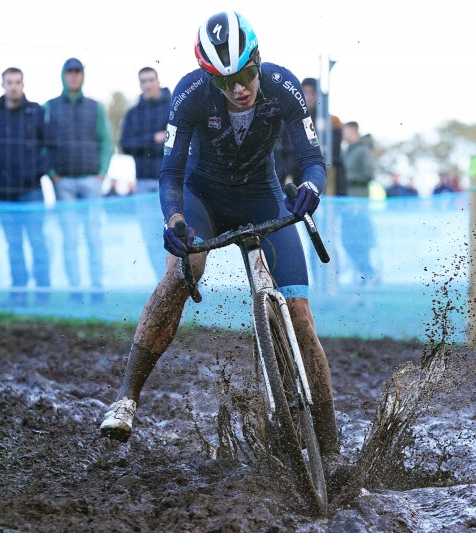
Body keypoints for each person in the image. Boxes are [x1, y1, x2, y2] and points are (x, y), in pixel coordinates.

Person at [100, 11, 343, 469]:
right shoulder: (189, 94)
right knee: (183, 272)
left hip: (261, 195)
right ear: (209, 78)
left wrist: (311, 186)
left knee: (300, 313)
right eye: (224, 80)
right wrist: (174, 219)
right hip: (202, 196)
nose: (239, 88)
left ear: (258, 61)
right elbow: (170, 172)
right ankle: (127, 398)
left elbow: (313, 158)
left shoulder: (283, 86)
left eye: (246, 74)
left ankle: (330, 450)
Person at [44, 58, 114, 303]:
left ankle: (96, 288)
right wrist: (52, 174)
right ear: (63, 76)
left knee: (94, 237)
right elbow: (42, 143)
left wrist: (102, 173)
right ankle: (75, 289)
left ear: (83, 76)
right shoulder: (50, 107)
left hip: (91, 182)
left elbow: (106, 142)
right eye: (69, 72)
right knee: (70, 238)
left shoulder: (95, 107)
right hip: (63, 184)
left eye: (77, 72)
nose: (73, 77)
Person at [0, 67, 51, 306]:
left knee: (37, 241)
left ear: (23, 84)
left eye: (17, 82)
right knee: (13, 244)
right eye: (9, 82)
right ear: (2, 84)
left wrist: (35, 172)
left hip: (31, 191)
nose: (13, 86)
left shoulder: (36, 112)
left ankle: (44, 291)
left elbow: (50, 147)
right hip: (3, 192)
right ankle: (19, 290)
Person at [119, 67, 172, 278]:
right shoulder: (133, 114)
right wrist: (154, 140)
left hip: (170, 182)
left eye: (151, 79)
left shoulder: (172, 106)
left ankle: (189, 286)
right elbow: (125, 144)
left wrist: (156, 142)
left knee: (179, 234)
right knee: (150, 238)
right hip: (143, 183)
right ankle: (164, 286)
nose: (148, 84)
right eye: (143, 81)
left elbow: (177, 140)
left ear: (158, 80)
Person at [273, 77, 347, 195]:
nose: (308, 97)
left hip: (327, 182)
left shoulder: (332, 122)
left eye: (312, 93)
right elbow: (282, 152)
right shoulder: (289, 121)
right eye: (305, 93)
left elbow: (333, 155)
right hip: (295, 179)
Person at [340, 121, 380, 286]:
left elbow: (368, 174)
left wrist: (345, 179)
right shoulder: (347, 151)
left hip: (358, 204)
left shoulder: (363, 150)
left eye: (346, 131)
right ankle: (364, 274)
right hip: (348, 205)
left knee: (360, 241)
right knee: (348, 240)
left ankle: (369, 273)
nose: (343, 135)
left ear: (354, 130)